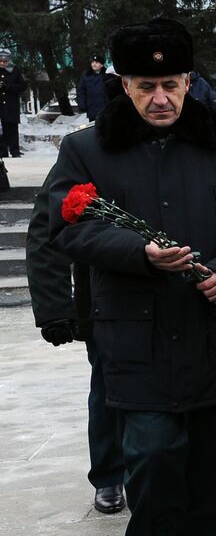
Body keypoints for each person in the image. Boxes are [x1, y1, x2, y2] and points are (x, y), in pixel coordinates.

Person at [49, 16, 216, 536]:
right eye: (146, 86)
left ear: (189, 81)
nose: (161, 98)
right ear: (123, 86)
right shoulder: (87, 149)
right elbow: (67, 225)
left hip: (210, 324)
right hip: (135, 336)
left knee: (208, 458)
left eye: (171, 83)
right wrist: (136, 253)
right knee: (151, 457)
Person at [27, 169, 127, 514]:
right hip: (105, 296)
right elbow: (45, 230)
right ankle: (109, 474)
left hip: (178, 292)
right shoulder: (86, 151)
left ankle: (203, 484)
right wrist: (54, 306)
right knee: (108, 387)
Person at [0, 48, 27, 159]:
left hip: (11, 104)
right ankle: (2, 151)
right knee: (2, 129)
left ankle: (14, 150)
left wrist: (8, 87)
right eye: (0, 60)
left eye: (4, 61)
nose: (2, 63)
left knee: (12, 128)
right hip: (1, 105)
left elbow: (23, 85)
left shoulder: (16, 70)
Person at [76, 57, 111, 122]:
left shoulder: (107, 75)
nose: (94, 64)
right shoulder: (86, 75)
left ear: (102, 64)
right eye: (92, 62)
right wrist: (82, 104)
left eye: (96, 62)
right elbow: (81, 91)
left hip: (106, 108)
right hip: (92, 108)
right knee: (94, 128)